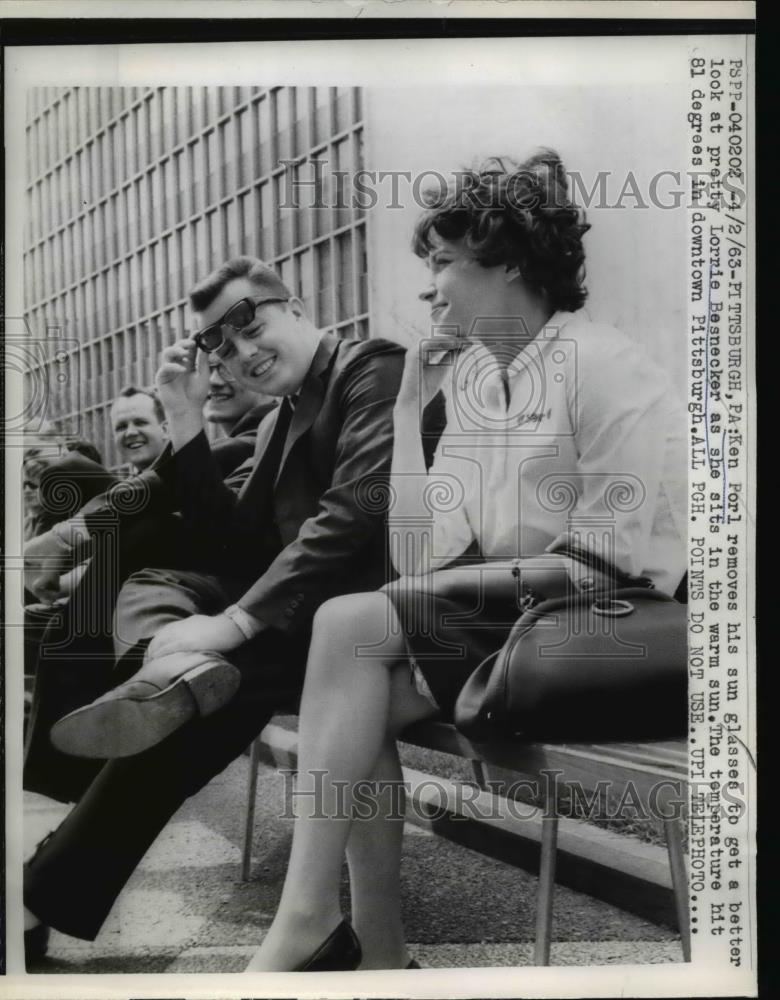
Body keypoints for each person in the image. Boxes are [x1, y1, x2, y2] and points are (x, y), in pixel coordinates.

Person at [245, 150, 688, 971]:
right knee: (356, 674)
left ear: (509, 259)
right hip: (533, 626)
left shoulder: (600, 362)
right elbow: (420, 550)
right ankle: (364, 949)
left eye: (444, 262)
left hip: (624, 633)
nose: (432, 287)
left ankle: (320, 929)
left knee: (350, 632)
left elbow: (610, 560)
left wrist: (427, 592)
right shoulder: (485, 382)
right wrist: (414, 409)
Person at [23, 256, 444, 969]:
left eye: (252, 325)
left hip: (381, 622)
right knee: (158, 578)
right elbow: (228, 535)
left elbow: (351, 516)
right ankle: (166, 673)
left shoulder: (373, 368)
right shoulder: (282, 415)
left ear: (297, 305)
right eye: (219, 345)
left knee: (194, 692)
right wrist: (184, 412)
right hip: (314, 623)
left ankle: (44, 881)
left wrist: (236, 622)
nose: (242, 353)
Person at [22, 369, 277, 805]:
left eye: (228, 359)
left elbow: (179, 488)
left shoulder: (273, 420)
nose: (214, 377)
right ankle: (65, 763)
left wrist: (68, 538)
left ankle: (61, 770)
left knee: (93, 492)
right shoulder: (216, 443)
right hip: (164, 582)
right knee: (49, 618)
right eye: (120, 425)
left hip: (246, 594)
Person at [110, 386, 169, 472]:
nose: (130, 432)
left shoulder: (190, 478)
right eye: (121, 427)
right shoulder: (126, 485)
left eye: (140, 423)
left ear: (165, 429)